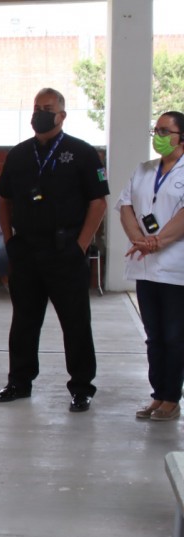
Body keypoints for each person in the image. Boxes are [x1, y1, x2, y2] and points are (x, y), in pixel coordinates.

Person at [0, 88, 108, 413]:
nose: (40, 113)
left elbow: (98, 202)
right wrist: (9, 240)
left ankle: (81, 387)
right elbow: (5, 200)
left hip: (65, 250)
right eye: (36, 107)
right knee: (24, 321)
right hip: (26, 250)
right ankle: (19, 382)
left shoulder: (82, 153)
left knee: (75, 323)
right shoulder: (19, 154)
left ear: (62, 115)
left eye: (47, 108)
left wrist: (80, 246)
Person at [117, 111, 184, 421]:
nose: (158, 136)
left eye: (165, 131)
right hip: (145, 266)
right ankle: (158, 395)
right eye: (155, 130)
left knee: (174, 336)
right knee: (154, 336)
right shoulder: (144, 169)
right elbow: (125, 206)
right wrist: (139, 239)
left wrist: (156, 242)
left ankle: (172, 397)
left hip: (175, 268)